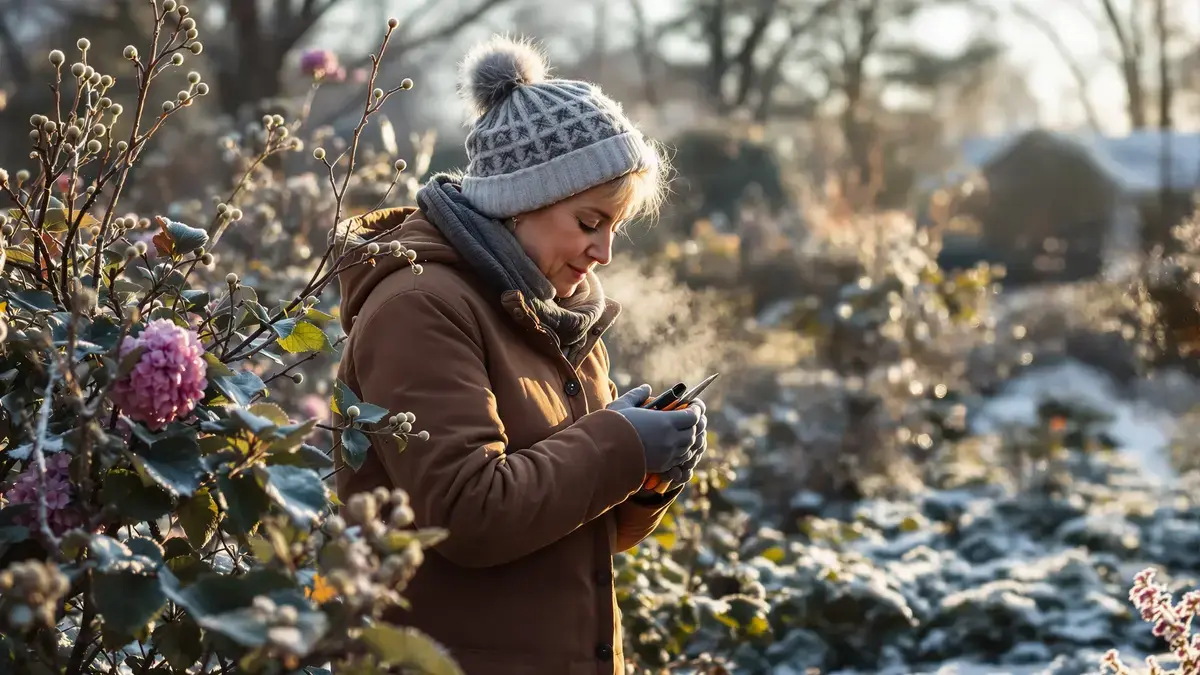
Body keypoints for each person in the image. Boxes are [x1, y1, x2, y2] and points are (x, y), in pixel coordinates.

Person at [332, 35, 709, 674]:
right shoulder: (421, 307)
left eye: (614, 228)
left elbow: (582, 531)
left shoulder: (554, 315)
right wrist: (621, 443)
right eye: (590, 223)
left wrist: (650, 476)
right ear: (517, 203)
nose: (604, 253)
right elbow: (469, 514)